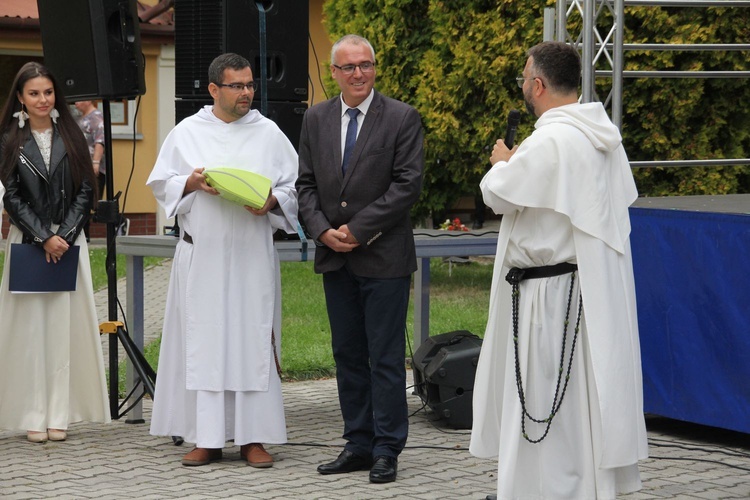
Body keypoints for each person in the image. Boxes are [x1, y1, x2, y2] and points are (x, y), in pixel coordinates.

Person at [470, 41, 648, 499]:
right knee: (575, 404)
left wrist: (500, 164)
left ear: (538, 84)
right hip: (583, 291)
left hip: (547, 301)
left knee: (546, 404)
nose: (524, 88)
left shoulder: (551, 139)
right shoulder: (602, 136)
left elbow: (499, 194)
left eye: (524, 79)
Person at [147, 53, 298, 468]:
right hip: (204, 255)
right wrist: (191, 182)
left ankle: (254, 438)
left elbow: (293, 188)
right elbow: (162, 185)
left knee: (250, 341)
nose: (247, 92)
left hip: (252, 255)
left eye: (250, 85)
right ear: (214, 89)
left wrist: (272, 201)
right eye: (237, 86)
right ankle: (206, 437)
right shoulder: (187, 132)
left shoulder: (268, 133)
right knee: (207, 343)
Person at [296, 34, 424, 484]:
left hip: (384, 257)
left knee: (384, 358)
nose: (357, 74)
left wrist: (358, 229)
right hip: (336, 258)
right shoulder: (315, 118)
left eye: (365, 65)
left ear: (375, 68)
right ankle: (358, 441)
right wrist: (323, 231)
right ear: (333, 73)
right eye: (348, 67)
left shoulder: (402, 118)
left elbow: (407, 185)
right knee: (347, 354)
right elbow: (305, 185)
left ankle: (388, 447)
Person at [0, 62, 110, 443]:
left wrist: (63, 234)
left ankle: (59, 413)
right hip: (28, 244)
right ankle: (32, 412)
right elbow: (11, 197)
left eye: (48, 92)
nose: (42, 99)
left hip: (68, 244)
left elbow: (85, 188)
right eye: (34, 93)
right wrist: (43, 236)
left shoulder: (74, 134)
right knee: (30, 332)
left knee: (64, 329)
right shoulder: (9, 139)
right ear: (20, 98)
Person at [74, 100, 106, 241]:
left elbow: (100, 141)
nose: (75, 103)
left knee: (91, 202)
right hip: (81, 167)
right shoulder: (82, 117)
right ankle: (84, 235)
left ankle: (119, 221)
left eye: (79, 100)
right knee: (83, 201)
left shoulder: (96, 117)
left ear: (88, 101)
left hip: (92, 168)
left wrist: (95, 162)